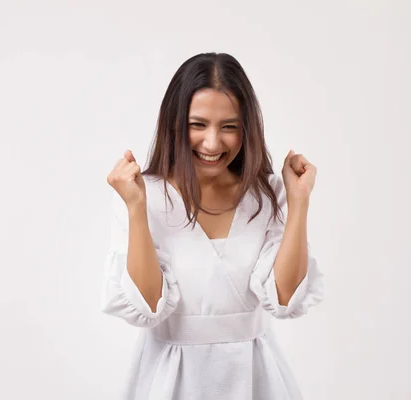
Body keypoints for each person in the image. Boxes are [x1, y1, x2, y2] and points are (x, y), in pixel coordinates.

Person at [100, 52, 324, 400]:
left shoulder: (266, 195)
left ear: (247, 128)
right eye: (198, 124)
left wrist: (299, 202)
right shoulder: (143, 195)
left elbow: (284, 300)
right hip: (169, 382)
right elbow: (146, 307)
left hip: (255, 380)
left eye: (229, 126)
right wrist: (136, 207)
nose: (212, 143)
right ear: (174, 124)